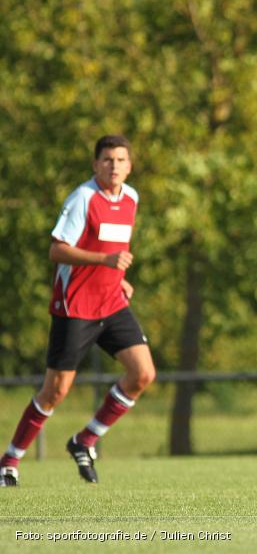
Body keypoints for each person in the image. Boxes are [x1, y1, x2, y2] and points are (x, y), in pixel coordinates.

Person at [0, 135, 156, 487]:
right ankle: (9, 460)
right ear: (95, 164)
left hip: (112, 303)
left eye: (120, 160)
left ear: (130, 166)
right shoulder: (83, 198)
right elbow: (58, 250)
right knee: (55, 391)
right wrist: (105, 261)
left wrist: (120, 278)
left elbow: (116, 246)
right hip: (76, 308)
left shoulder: (131, 198)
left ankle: (85, 439)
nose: (113, 166)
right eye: (106, 160)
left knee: (143, 374)